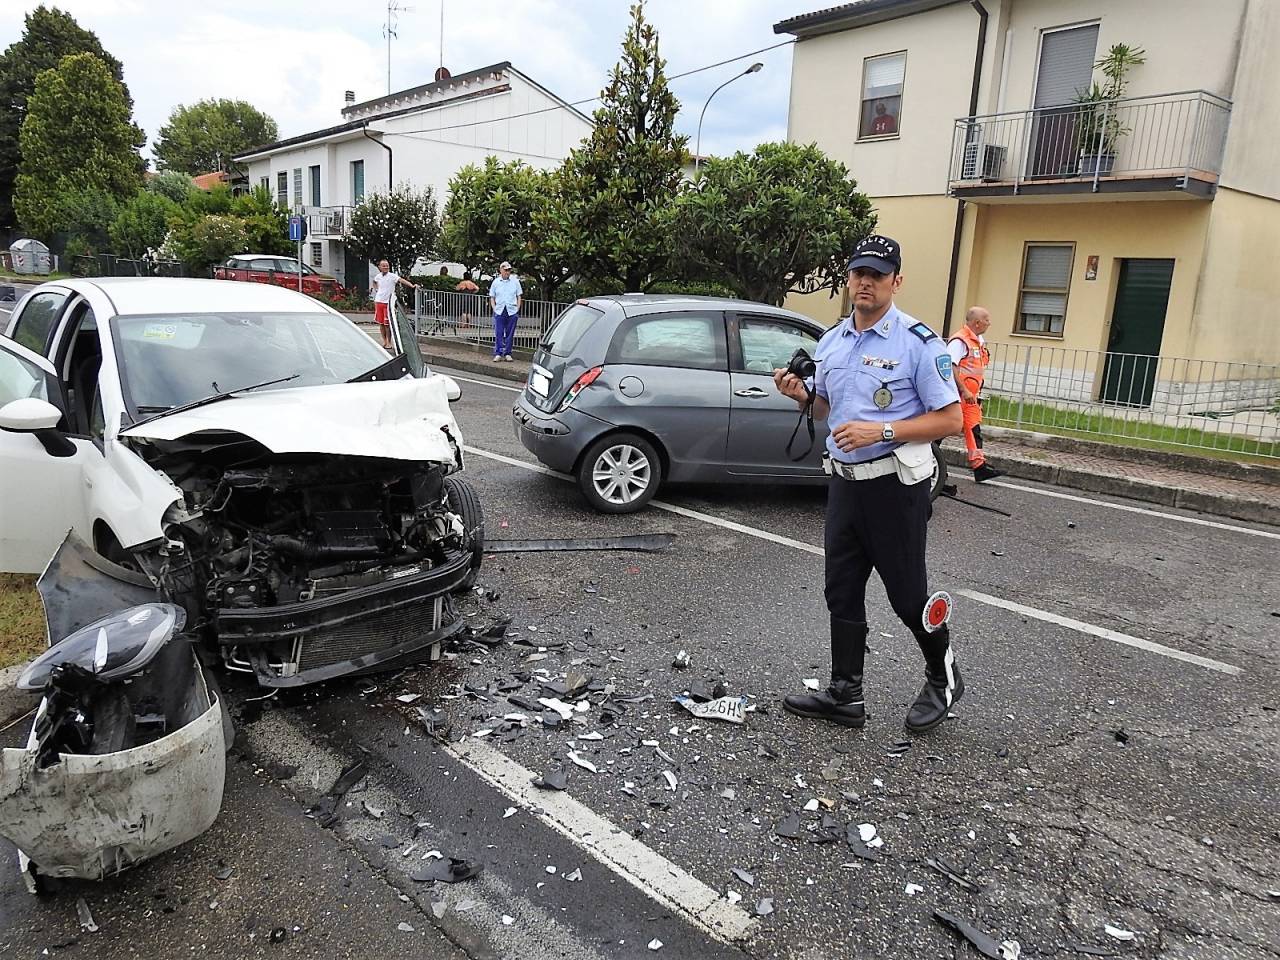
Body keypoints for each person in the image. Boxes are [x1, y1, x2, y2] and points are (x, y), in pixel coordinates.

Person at [773, 234, 964, 734]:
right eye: (859, 272)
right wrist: (798, 395)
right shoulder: (833, 340)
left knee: (906, 596)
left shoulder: (920, 344)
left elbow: (950, 419)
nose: (865, 282)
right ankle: (845, 694)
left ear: (895, 281)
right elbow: (825, 408)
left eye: (877, 275)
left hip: (894, 488)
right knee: (840, 589)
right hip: (844, 485)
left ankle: (943, 677)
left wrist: (882, 430)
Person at [948, 307, 1003, 483]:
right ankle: (929, 463)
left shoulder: (978, 341)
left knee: (974, 430)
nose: (990, 322)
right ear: (977, 323)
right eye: (987, 319)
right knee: (942, 429)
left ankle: (979, 467)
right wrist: (964, 389)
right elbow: (950, 366)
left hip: (970, 397)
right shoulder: (960, 341)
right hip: (957, 395)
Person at [371, 260, 417, 350]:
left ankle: (389, 341)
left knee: (387, 324)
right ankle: (384, 341)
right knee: (381, 323)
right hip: (379, 301)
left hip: (387, 302)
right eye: (383, 266)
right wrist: (376, 289)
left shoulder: (392, 276)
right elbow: (374, 281)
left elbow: (401, 280)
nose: (385, 267)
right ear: (379, 267)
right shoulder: (378, 276)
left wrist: (411, 285)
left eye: (387, 266)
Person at [489, 261, 523, 362]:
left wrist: (517, 308)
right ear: (501, 270)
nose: (507, 272)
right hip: (500, 310)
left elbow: (519, 296)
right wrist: (494, 308)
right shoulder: (495, 282)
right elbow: (492, 297)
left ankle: (508, 353)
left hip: (512, 310)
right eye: (505, 270)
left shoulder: (515, 281)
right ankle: (498, 353)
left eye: (509, 270)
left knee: (510, 333)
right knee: (499, 333)